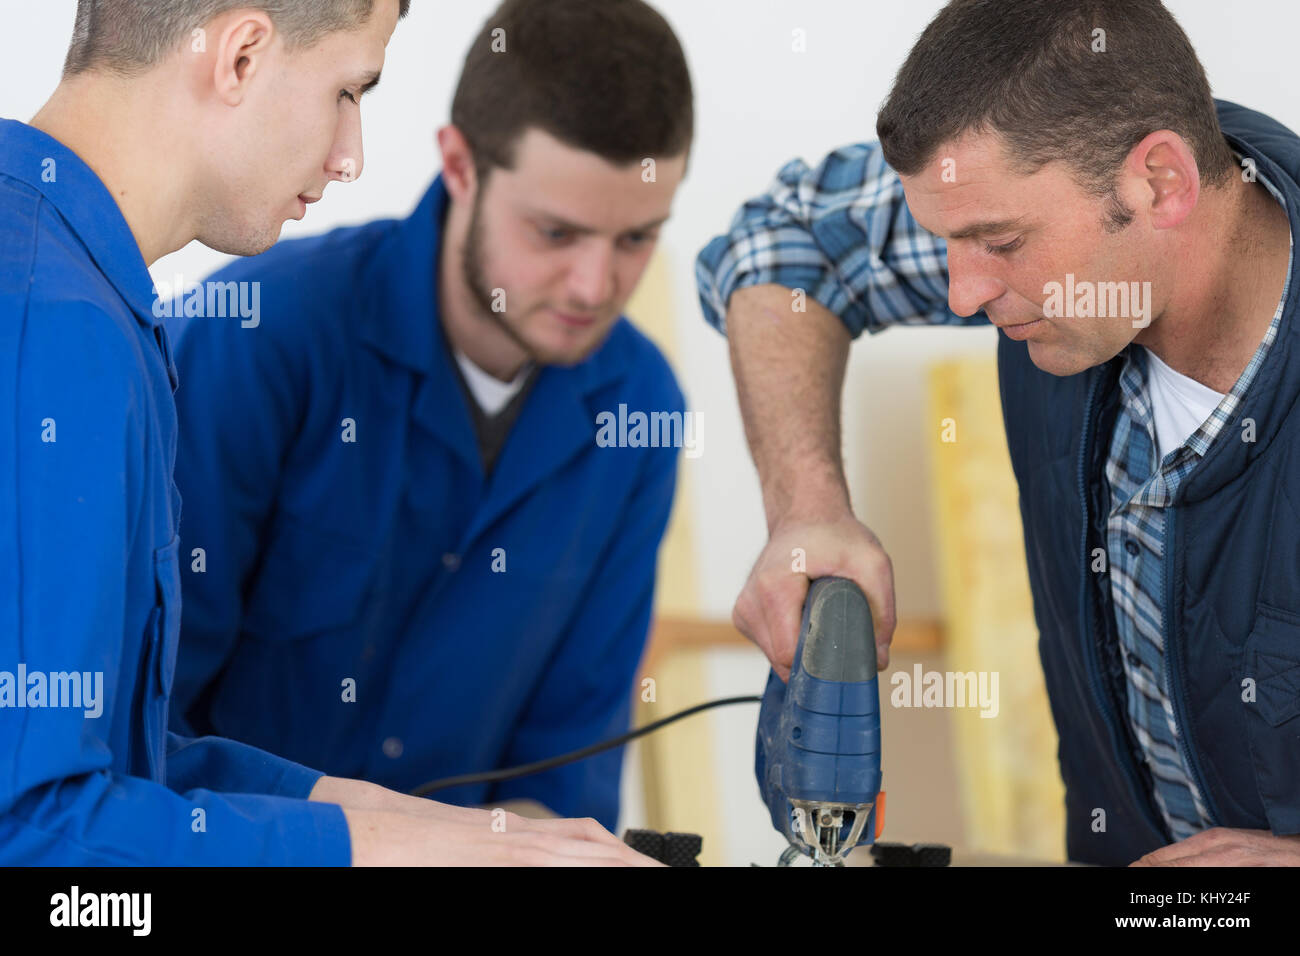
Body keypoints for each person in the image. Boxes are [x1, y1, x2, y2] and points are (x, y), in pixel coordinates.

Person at [0, 0, 654, 866]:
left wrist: (450, 835)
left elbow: (130, 767)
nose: (352, 158)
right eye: (350, 90)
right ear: (240, 55)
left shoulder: (89, 299)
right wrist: (382, 852)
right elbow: (34, 833)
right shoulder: (54, 327)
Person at [696, 0, 1300, 866]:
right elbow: (779, 241)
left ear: (1161, 183)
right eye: (948, 241)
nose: (961, 295)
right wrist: (806, 507)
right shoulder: (1026, 188)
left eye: (1000, 242)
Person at [165, 0, 692, 828]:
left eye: (636, 239)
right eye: (556, 233)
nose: (596, 287)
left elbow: (557, 779)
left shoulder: (639, 411)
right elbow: (139, 729)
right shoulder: (260, 335)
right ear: (460, 166)